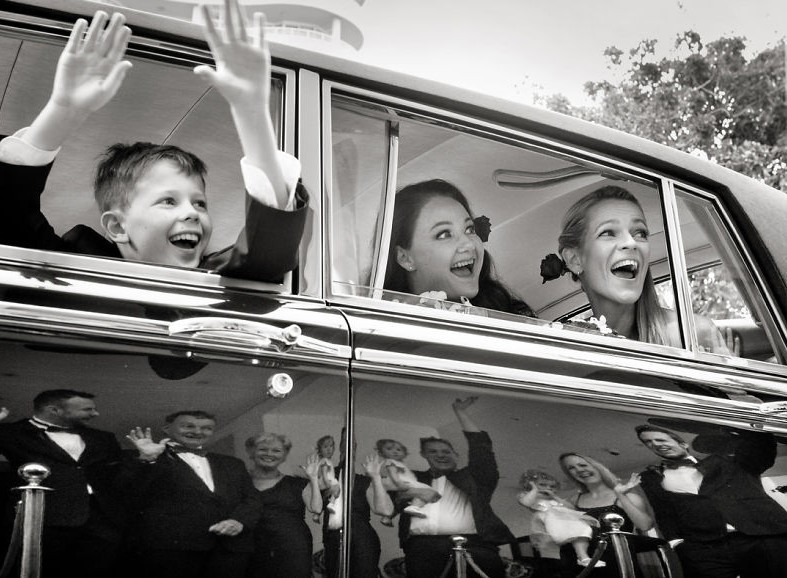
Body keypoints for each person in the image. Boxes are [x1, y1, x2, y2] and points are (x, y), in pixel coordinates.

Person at [0, 0, 307, 283]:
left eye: (200, 203)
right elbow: (9, 214)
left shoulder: (220, 281)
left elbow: (269, 250)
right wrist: (62, 110)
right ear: (117, 226)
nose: (192, 213)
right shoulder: (70, 270)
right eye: (168, 201)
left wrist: (252, 114)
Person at [542, 185, 729, 351]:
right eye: (608, 233)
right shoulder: (568, 342)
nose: (631, 242)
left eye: (640, 233)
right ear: (574, 260)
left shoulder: (692, 334)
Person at [121, 410, 263, 578]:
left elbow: (252, 499)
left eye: (206, 428)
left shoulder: (233, 463)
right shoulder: (144, 458)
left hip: (229, 550)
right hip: (172, 551)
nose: (197, 431)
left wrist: (239, 521)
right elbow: (127, 494)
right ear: (167, 429)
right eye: (188, 426)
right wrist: (148, 459)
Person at [635, 423, 787, 578]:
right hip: (703, 548)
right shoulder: (651, 478)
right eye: (648, 442)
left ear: (683, 443)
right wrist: (676, 543)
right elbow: (663, 512)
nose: (655, 444)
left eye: (660, 439)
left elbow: (763, 447)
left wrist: (731, 424)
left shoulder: (731, 462)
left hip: (762, 536)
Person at [0, 391, 124, 578]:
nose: (95, 414)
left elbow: (118, 476)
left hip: (98, 521)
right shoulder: (12, 433)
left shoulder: (103, 438)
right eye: (87, 409)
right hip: (42, 519)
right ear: (54, 410)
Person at [395, 396, 514, 578]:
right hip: (423, 549)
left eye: (446, 451)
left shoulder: (474, 477)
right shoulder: (412, 478)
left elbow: (482, 451)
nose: (441, 455)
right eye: (433, 451)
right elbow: (392, 500)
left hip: (476, 546)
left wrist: (460, 412)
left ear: (456, 455)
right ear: (423, 454)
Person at [384, 179, 534, 316]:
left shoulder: (514, 317)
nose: (469, 244)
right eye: (444, 234)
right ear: (405, 258)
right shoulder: (384, 330)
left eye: (469, 229)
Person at [557, 453, 653, 576]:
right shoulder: (573, 501)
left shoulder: (628, 496)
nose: (579, 470)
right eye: (571, 468)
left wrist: (620, 495)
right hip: (583, 567)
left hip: (620, 564)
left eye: (583, 465)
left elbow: (644, 525)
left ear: (597, 466)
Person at [244, 432, 322, 578]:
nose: (269, 454)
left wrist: (313, 479)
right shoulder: (240, 482)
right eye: (263, 449)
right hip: (252, 550)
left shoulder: (297, 484)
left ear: (284, 456)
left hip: (292, 550)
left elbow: (316, 508)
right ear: (251, 452)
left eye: (276, 450)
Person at [321, 428, 393, 578]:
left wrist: (376, 477)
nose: (349, 446)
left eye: (352, 443)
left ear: (355, 448)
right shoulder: (326, 476)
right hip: (334, 541)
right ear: (339, 446)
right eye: (345, 442)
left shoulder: (365, 481)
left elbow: (386, 510)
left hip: (364, 541)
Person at [516, 469, 602, 568]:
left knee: (584, 533)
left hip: (567, 519)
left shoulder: (554, 500)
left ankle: (583, 557)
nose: (548, 488)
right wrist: (534, 489)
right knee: (569, 536)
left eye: (552, 486)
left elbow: (571, 508)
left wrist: (555, 497)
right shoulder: (529, 497)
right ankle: (581, 557)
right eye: (542, 485)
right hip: (552, 520)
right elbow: (526, 502)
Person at [375, 438, 441, 525]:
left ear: (404, 453)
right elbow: (393, 474)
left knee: (417, 496)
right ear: (381, 452)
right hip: (403, 485)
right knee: (431, 493)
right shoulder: (390, 462)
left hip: (406, 485)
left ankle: (388, 517)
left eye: (398, 450)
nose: (395, 451)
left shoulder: (398, 463)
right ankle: (414, 506)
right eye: (389, 449)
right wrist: (399, 484)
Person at [313, 434, 342, 526]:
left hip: (325, 482)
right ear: (320, 450)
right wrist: (328, 483)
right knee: (337, 488)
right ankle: (331, 503)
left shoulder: (326, 460)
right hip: (326, 482)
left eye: (331, 446)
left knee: (322, 499)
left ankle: (316, 515)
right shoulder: (325, 461)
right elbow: (324, 473)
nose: (329, 449)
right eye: (325, 447)